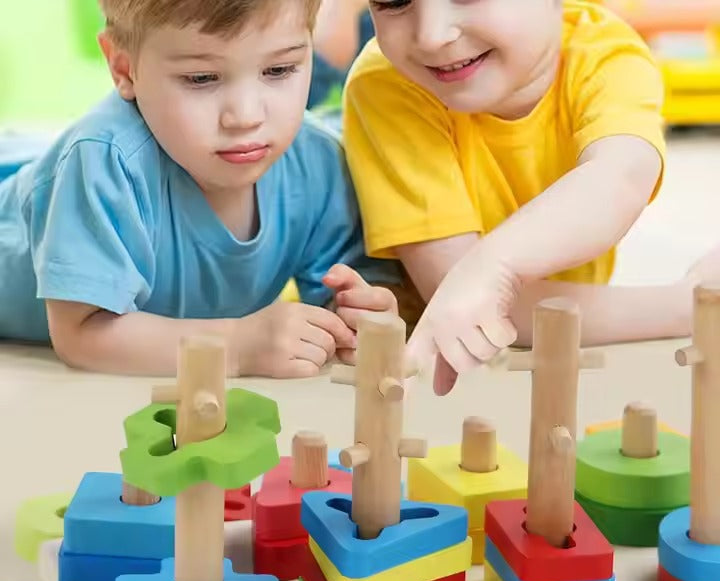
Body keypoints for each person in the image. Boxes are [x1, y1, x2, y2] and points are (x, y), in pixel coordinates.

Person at [0, 0, 400, 378]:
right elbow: (82, 335)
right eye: (202, 78)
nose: (246, 116)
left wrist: (355, 314)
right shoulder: (103, 162)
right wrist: (236, 346)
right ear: (123, 68)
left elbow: (352, 283)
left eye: (279, 70)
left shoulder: (318, 161)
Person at [342, 0, 707, 394]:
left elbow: (620, 177)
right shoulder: (388, 82)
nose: (431, 37)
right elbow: (474, 306)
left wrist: (493, 264)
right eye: (392, 1)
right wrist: (683, 306)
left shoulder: (604, 53)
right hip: (431, 364)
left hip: (538, 357)